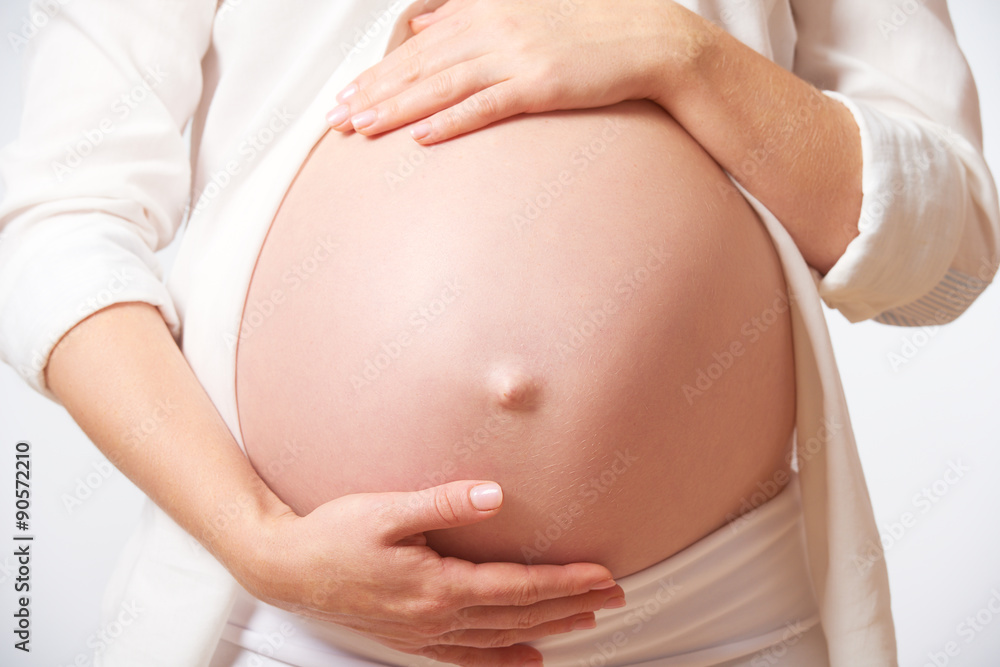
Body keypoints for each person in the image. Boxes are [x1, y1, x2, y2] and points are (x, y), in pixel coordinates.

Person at [0, 1, 996, 666]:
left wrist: (681, 51)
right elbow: (54, 220)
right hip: (297, 622)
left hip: (718, 616)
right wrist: (256, 541)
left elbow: (950, 251)